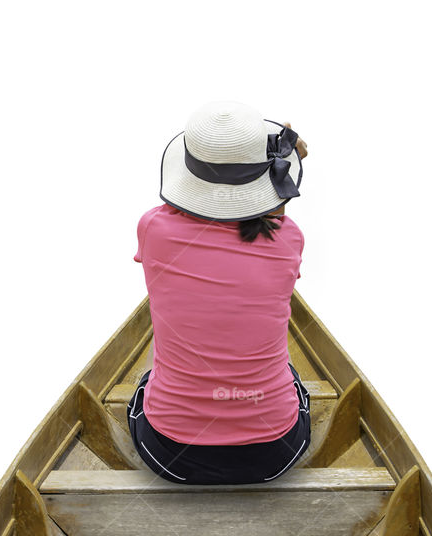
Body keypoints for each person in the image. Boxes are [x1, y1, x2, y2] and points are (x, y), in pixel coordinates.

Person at [128, 101, 311, 485]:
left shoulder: (152, 230)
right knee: (292, 377)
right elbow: (268, 225)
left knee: (146, 381)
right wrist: (280, 165)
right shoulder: (290, 239)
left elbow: (180, 215)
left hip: (170, 455)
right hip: (275, 454)